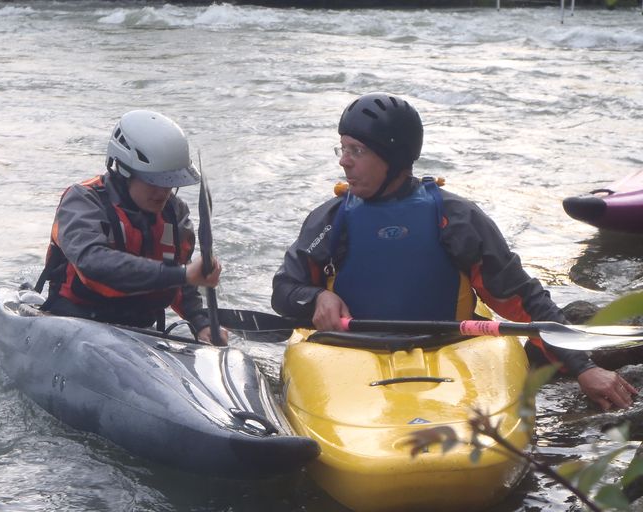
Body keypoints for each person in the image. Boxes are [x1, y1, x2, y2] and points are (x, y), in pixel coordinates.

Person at [271, 92, 636, 410]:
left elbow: (522, 299)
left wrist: (584, 368)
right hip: (349, 350)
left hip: (445, 349)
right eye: (343, 148)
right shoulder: (332, 219)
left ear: (393, 157)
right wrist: (316, 298)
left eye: (356, 150)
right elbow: (285, 290)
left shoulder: (456, 218)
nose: (343, 161)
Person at [35, 109, 227, 345]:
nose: (163, 193)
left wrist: (201, 322)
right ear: (124, 172)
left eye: (170, 183)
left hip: (138, 332)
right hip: (75, 322)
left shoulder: (175, 214)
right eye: (154, 182)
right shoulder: (83, 201)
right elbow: (92, 261)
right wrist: (183, 274)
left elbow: (179, 284)